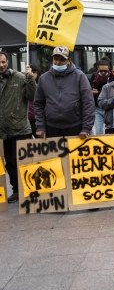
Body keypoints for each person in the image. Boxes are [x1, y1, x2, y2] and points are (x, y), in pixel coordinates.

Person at [34, 46, 95, 139]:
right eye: (55, 59)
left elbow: (88, 103)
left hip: (75, 127)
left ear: (68, 60)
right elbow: (38, 104)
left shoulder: (80, 77)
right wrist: (40, 126)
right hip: (51, 127)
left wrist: (86, 128)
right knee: (54, 154)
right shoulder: (44, 78)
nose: (58, 62)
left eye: (62, 59)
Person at [0, 52, 36, 203]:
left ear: (7, 62)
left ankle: (29, 190)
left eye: (3, 62)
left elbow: (32, 95)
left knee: (23, 161)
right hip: (3, 130)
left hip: (20, 128)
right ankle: (16, 190)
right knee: (9, 163)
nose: (1, 65)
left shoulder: (19, 77)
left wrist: (30, 79)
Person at [90, 57, 113, 135]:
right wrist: (92, 92)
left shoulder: (112, 77)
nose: (103, 73)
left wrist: (98, 92)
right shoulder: (94, 76)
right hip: (97, 107)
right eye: (101, 71)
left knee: (110, 131)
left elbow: (111, 92)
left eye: (105, 71)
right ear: (97, 68)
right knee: (99, 131)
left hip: (108, 107)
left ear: (109, 69)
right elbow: (90, 88)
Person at [27, 63, 40, 137]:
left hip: (36, 119)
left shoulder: (40, 84)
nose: (33, 74)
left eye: (35, 72)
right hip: (27, 120)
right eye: (31, 72)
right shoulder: (24, 83)